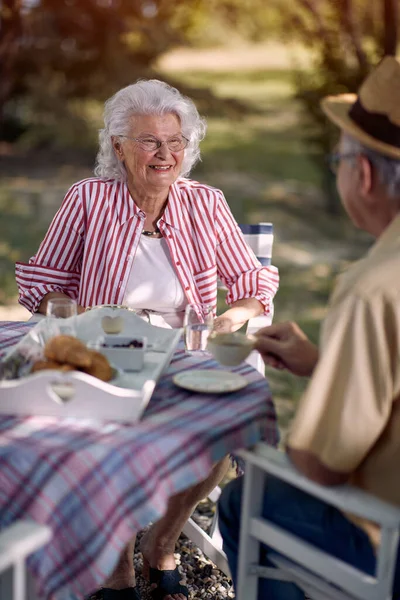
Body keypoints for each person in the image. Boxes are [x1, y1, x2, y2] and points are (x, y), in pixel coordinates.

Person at [15, 79, 279, 600]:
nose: (165, 154)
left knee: (218, 421)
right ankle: (115, 570)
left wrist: (233, 318)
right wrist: (79, 317)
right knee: (100, 431)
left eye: (174, 141)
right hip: (106, 349)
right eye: (149, 141)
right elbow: (42, 283)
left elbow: (254, 285)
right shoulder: (88, 199)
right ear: (118, 147)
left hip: (187, 346)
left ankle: (161, 544)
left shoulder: (206, 204)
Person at [218, 55, 400, 600]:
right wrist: (324, 365)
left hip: (386, 544)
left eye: (338, 157)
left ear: (362, 174)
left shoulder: (375, 285)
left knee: (244, 496)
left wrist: (260, 453)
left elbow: (318, 467)